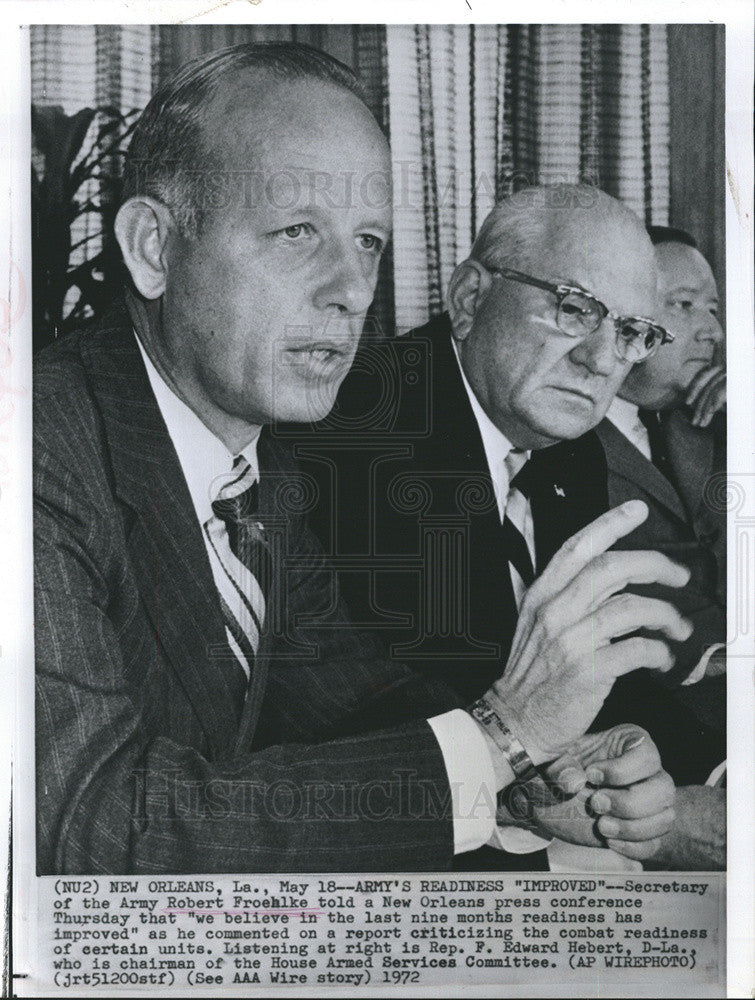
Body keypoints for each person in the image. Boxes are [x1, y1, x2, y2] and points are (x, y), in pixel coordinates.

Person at [35, 45, 684, 875]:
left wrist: (526, 778)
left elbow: (349, 702)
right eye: (298, 231)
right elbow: (94, 827)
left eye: (369, 242)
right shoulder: (29, 452)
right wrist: (499, 736)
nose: (352, 288)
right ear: (155, 248)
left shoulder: (256, 469)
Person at [292, 185, 715, 868]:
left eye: (631, 333)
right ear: (467, 300)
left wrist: (682, 772)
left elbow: (593, 664)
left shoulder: (565, 442)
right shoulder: (356, 428)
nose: (603, 361)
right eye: (575, 309)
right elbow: (384, 709)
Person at [595, 226, 726, 869]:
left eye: (715, 310)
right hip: (675, 723)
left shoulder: (709, 421)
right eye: (683, 305)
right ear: (628, 319)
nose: (713, 331)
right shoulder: (564, 438)